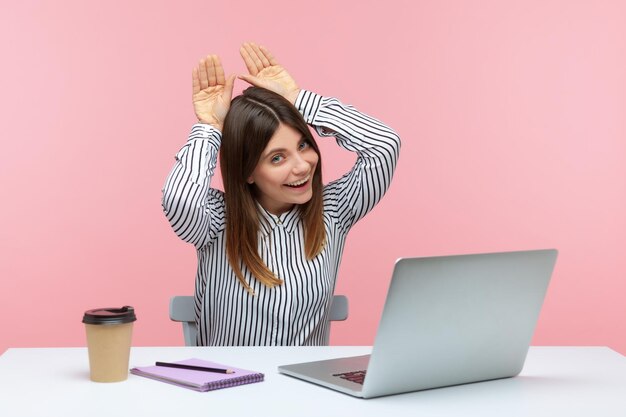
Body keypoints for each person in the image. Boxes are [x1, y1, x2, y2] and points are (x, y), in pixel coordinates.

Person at [162, 43, 401, 346]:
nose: (302, 166)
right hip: (230, 388)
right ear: (247, 170)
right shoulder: (216, 221)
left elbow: (384, 145)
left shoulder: (335, 210)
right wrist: (210, 128)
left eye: (303, 145)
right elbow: (179, 199)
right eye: (277, 158)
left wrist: (298, 100)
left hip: (304, 389)